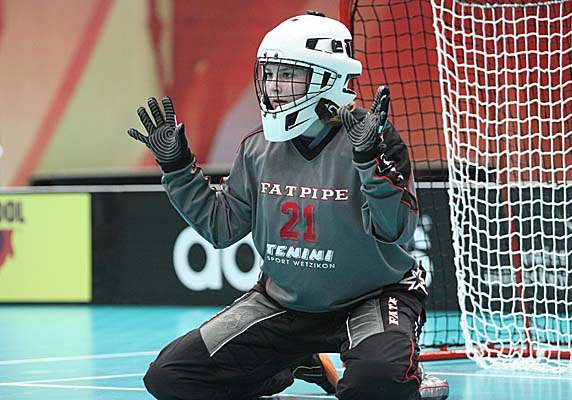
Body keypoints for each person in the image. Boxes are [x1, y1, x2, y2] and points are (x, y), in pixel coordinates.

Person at [128, 11, 449, 400]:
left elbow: (395, 230)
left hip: (374, 297)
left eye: (289, 73)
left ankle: (414, 380)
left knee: (375, 385)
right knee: (170, 378)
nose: (273, 85)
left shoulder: (375, 140)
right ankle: (291, 364)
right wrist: (178, 168)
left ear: (329, 78)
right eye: (269, 73)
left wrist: (369, 162)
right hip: (282, 304)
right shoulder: (257, 146)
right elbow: (221, 227)